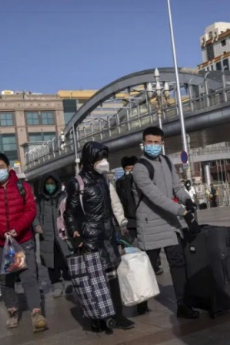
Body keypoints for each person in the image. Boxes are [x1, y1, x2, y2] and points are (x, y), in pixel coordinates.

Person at [64, 142, 135, 333]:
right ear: (90, 160)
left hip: (108, 235)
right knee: (93, 279)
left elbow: (111, 206)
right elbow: (69, 213)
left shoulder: (104, 179)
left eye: (105, 158)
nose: (103, 162)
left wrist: (119, 228)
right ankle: (97, 318)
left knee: (112, 277)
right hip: (89, 238)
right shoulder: (77, 183)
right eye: (99, 158)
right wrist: (76, 235)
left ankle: (117, 315)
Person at [132, 126, 200, 319]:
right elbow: (156, 197)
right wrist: (182, 211)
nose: (152, 145)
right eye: (149, 142)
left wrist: (187, 199)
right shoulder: (140, 168)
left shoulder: (167, 161)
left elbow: (176, 186)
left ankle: (183, 305)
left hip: (169, 223)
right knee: (149, 266)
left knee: (178, 262)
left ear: (162, 143)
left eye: (156, 142)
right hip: (150, 223)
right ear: (143, 143)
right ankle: (140, 300)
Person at [0, 153, 47, 333]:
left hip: (22, 239)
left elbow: (30, 209)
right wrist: (1, 231)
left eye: (0, 167)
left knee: (28, 277)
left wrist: (17, 228)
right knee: (7, 280)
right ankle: (13, 311)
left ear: (8, 167)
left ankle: (36, 313)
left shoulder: (22, 187)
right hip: (0, 243)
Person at [33, 174, 72, 298]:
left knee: (65, 259)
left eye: (52, 183)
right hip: (46, 236)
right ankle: (56, 285)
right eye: (47, 183)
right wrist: (37, 226)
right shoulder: (39, 200)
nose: (50, 186)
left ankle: (68, 282)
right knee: (51, 262)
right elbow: (34, 215)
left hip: (62, 234)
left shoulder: (63, 197)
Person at [116, 156, 139, 244]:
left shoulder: (140, 179)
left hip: (142, 219)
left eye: (132, 168)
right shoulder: (119, 182)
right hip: (128, 221)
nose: (130, 171)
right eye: (127, 169)